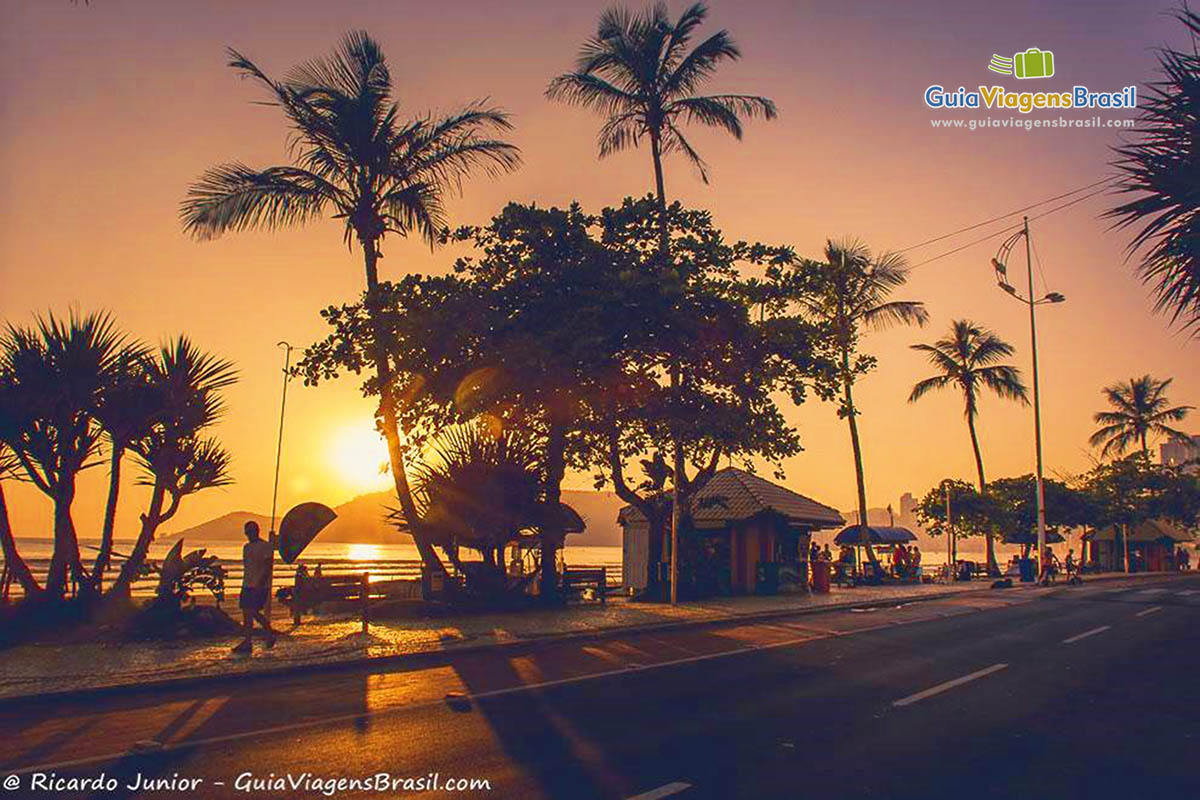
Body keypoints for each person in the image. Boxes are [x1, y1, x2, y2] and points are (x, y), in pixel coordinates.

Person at [233, 521, 277, 654]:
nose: (249, 534)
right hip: (247, 584)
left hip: (259, 585)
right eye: (247, 532)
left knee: (253, 612)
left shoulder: (265, 546)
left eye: (251, 531)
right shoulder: (246, 548)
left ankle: (268, 634)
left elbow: (267, 566)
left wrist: (261, 583)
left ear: (257, 531)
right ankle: (248, 641)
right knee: (247, 613)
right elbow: (248, 568)